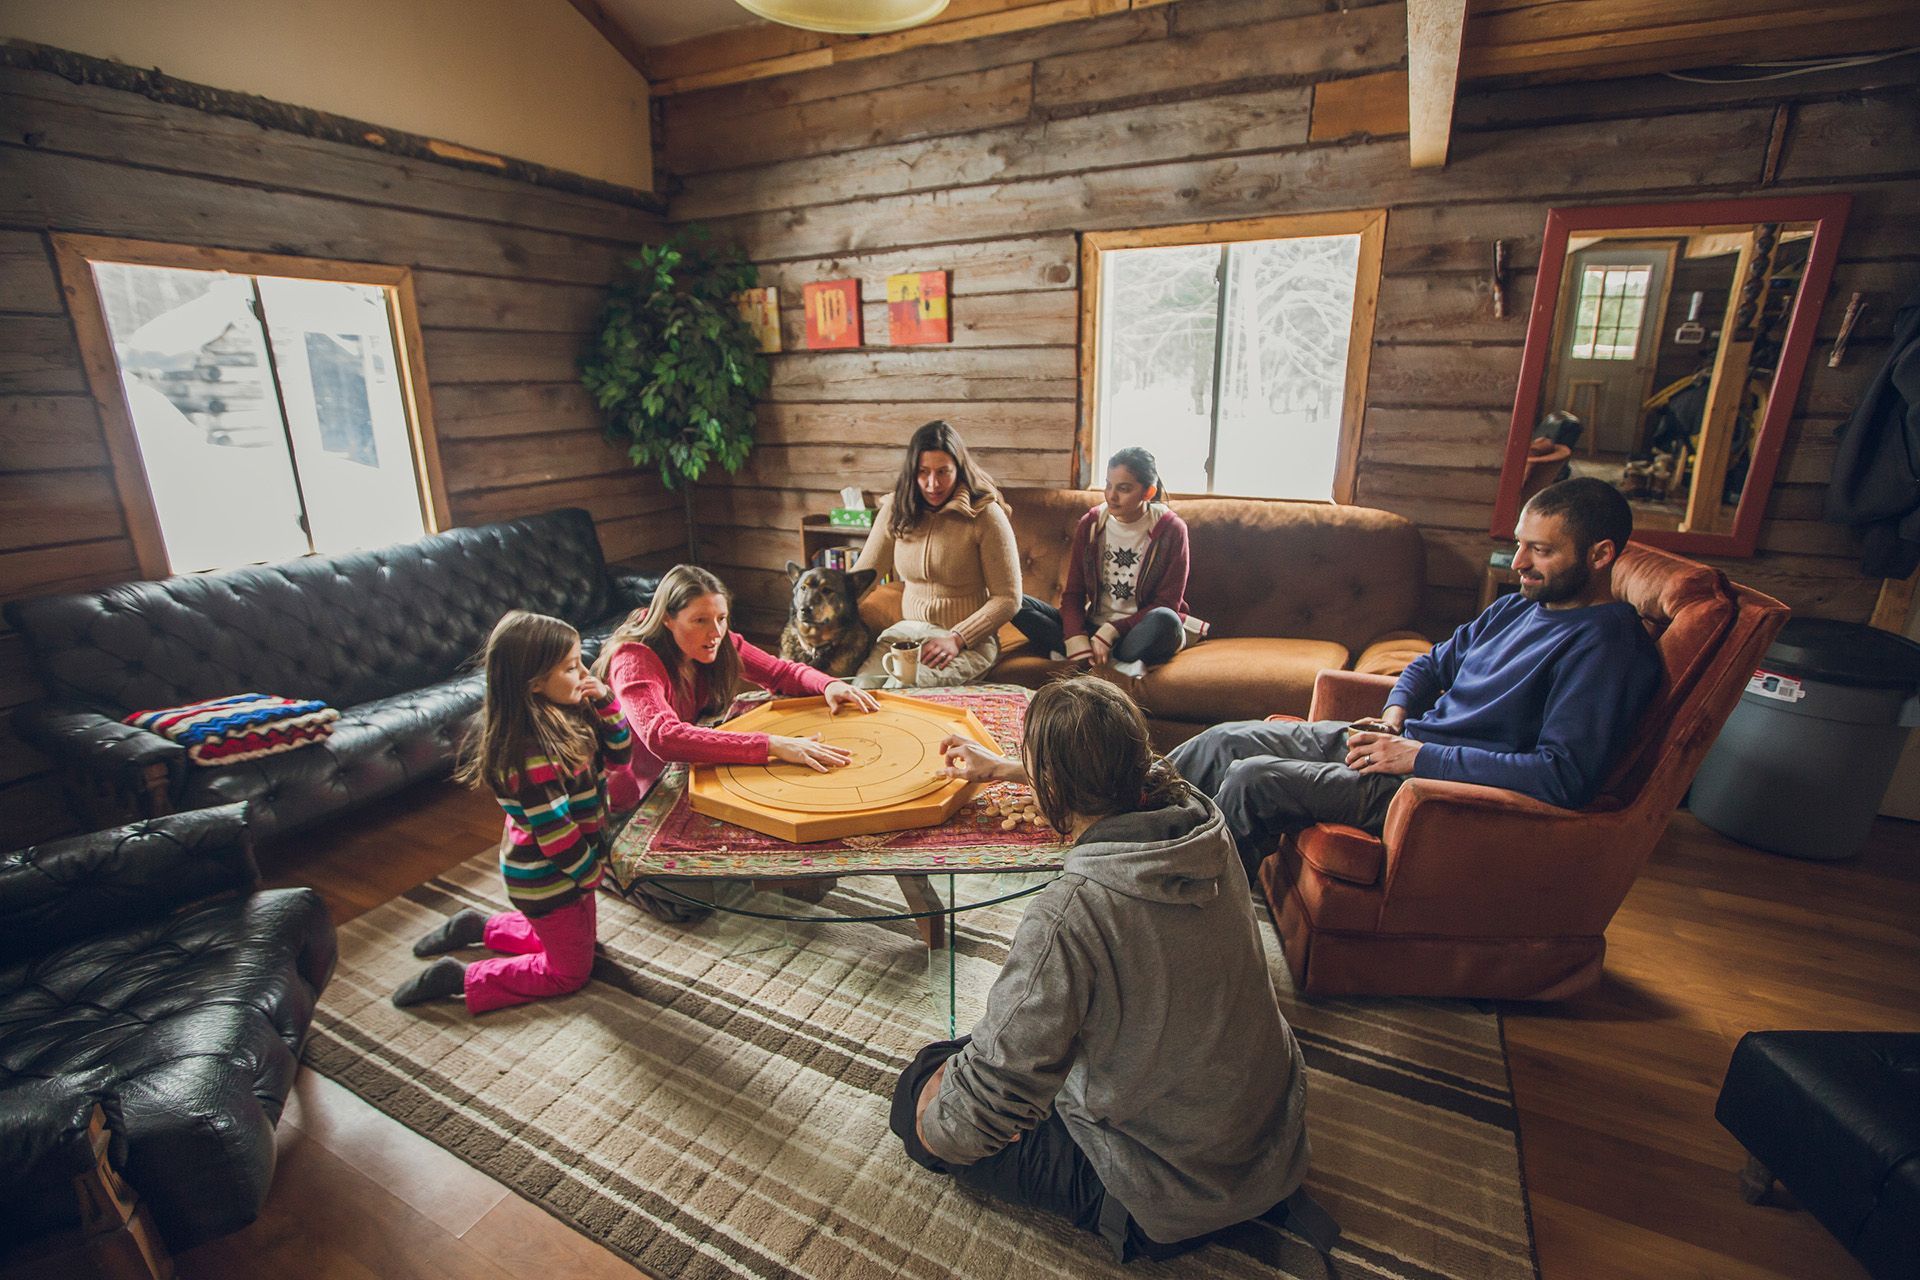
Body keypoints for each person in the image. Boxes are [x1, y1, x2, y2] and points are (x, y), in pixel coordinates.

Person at [894, 677, 1325, 1265]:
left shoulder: (1070, 913)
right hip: (1270, 1135)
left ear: (1053, 786)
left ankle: (1129, 1214)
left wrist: (935, 1123)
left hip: (1171, 1189)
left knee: (921, 1086)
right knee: (997, 1051)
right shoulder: (1202, 818)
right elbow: (1138, 766)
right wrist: (1007, 769)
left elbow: (989, 1101)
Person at [1169, 477, 1664, 877]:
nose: (1519, 565)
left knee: (1253, 779)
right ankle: (1112, 842)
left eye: (1541, 551)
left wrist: (1418, 756)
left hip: (1435, 790)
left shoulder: (1607, 649)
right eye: (1519, 545)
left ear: (1600, 555)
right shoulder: (1517, 607)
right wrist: (1394, 717)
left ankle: (1195, 913)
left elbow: (1561, 777)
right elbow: (1428, 665)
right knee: (1221, 742)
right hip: (1402, 746)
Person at [392, 611, 633, 1012]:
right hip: (546, 876)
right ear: (534, 683)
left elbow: (621, 756)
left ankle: (477, 926)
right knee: (570, 971)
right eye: (572, 667)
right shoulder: (529, 754)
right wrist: (591, 874)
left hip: (571, 863)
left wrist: (605, 699)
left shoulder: (568, 712)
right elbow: (556, 833)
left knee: (580, 942)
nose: (583, 673)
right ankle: (461, 977)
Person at [598, 564, 878, 814]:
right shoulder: (633, 660)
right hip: (633, 797)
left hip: (682, 772)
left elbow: (780, 672)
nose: (716, 632)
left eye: (721, 618)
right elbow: (663, 737)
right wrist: (773, 744)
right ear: (667, 619)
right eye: (700, 620)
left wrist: (829, 685)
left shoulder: (716, 641)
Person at [851, 420, 1021, 687]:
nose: (933, 484)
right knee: (860, 688)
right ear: (912, 472)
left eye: (944, 472)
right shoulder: (895, 510)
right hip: (906, 634)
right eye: (923, 472)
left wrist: (958, 638)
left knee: (903, 688)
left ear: (959, 469)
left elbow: (1008, 598)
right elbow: (861, 579)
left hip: (966, 642)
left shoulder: (985, 515)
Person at [1010, 446, 1206, 675]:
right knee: (1013, 601)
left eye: (1123, 489)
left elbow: (1168, 603)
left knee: (1166, 620)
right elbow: (1073, 594)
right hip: (1093, 626)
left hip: (1136, 632)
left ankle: (1112, 657)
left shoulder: (1171, 529)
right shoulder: (1092, 523)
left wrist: (1112, 630)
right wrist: (1076, 637)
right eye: (1108, 485)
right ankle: (1093, 656)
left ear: (1148, 492)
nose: (1111, 495)